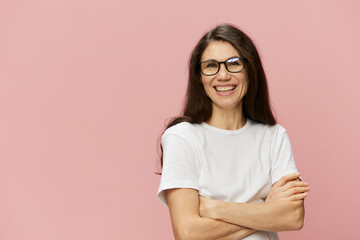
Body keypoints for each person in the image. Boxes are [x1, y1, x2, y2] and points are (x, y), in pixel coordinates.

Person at [156, 23, 310, 240]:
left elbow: (293, 218)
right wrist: (266, 208)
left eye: (234, 63)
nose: (223, 75)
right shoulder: (181, 138)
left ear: (250, 70)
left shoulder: (274, 136)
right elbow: (188, 233)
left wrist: (214, 208)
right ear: (199, 76)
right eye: (211, 66)